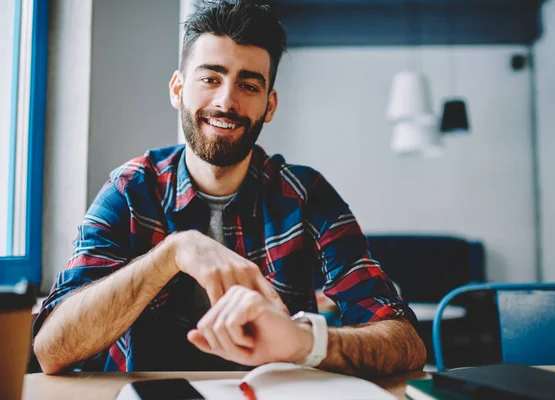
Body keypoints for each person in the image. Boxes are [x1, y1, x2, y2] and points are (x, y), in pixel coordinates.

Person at [33, 0, 426, 376]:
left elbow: (405, 341)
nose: (226, 101)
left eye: (249, 86)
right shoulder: (130, 190)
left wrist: (307, 343)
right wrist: (173, 252)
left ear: (269, 106)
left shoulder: (306, 194)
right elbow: (51, 348)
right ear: (177, 89)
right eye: (210, 78)